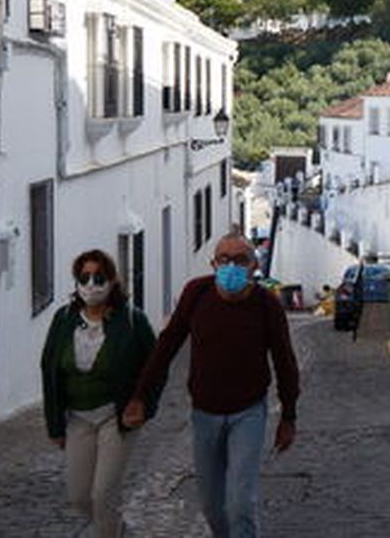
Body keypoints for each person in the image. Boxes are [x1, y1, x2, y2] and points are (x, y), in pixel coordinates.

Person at [123, 230, 300, 538]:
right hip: (204, 412)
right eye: (224, 259)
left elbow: (285, 360)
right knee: (210, 504)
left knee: (240, 503)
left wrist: (288, 416)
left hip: (249, 413)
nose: (232, 266)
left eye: (241, 260)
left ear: (254, 266)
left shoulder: (266, 305)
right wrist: (140, 394)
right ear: (213, 263)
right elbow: (168, 344)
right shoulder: (196, 294)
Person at [40, 250, 160, 538]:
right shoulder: (64, 318)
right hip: (77, 418)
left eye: (99, 277)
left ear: (111, 280)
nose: (91, 284)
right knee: (79, 495)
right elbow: (49, 368)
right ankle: (118, 532)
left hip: (115, 417)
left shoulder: (132, 320)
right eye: (84, 278)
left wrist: (143, 403)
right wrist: (54, 424)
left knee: (103, 494)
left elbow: (156, 365)